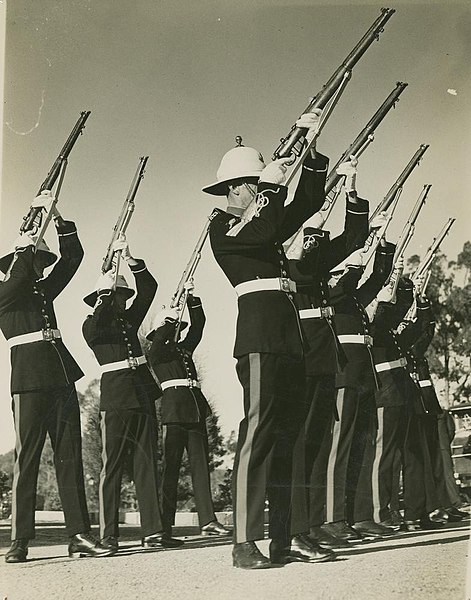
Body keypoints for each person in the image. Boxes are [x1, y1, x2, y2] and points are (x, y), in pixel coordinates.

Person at [205, 111, 332, 569]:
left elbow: (304, 206)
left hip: (288, 338)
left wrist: (310, 155)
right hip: (258, 339)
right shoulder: (223, 226)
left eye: (260, 184)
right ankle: (243, 541)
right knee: (257, 435)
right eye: (251, 186)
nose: (257, 191)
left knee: (288, 440)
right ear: (233, 190)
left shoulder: (262, 220)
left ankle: (285, 538)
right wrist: (275, 185)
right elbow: (263, 227)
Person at [0, 191, 112, 563]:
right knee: (27, 460)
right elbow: (12, 286)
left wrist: (57, 216)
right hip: (28, 381)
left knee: (70, 457)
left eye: (42, 259)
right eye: (37, 259)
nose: (42, 266)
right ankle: (19, 540)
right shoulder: (7, 291)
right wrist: (21, 253)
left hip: (60, 376)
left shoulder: (43, 290)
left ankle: (79, 534)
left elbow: (73, 259)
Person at [287, 157, 374, 551]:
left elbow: (354, 239)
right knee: (303, 442)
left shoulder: (314, 258)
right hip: (301, 351)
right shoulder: (285, 258)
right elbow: (304, 264)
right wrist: (317, 220)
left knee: (320, 444)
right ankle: (295, 527)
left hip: (325, 353)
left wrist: (350, 190)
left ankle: (315, 522)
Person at [82, 235, 182, 554]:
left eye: (124, 295)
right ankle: (109, 535)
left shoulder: (128, 320)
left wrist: (130, 259)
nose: (123, 300)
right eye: (117, 295)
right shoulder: (92, 324)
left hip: (141, 395)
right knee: (112, 468)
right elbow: (97, 329)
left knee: (147, 465)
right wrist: (104, 294)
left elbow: (149, 289)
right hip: (116, 399)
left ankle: (153, 530)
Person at [146, 284, 232, 538]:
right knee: (170, 471)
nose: (176, 331)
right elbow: (160, 341)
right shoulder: (157, 352)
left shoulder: (183, 350)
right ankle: (164, 525)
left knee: (200, 467)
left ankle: (208, 520)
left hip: (194, 409)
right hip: (174, 412)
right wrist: (167, 320)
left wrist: (191, 298)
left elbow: (198, 326)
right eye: (171, 328)